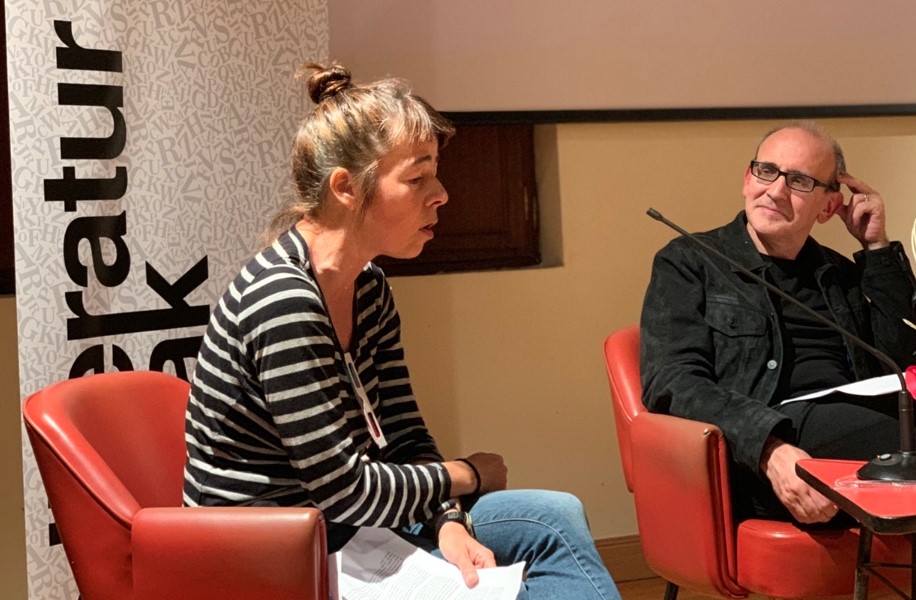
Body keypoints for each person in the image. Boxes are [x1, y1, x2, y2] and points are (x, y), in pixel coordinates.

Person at [183, 62, 621, 600]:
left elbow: (402, 433)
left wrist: (447, 519)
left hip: (354, 531)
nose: (441, 195)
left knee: (554, 517)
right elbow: (344, 490)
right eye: (417, 179)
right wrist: (467, 474)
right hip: (275, 556)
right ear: (346, 187)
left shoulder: (368, 287)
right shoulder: (284, 301)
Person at [640, 121, 916, 524]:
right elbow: (672, 382)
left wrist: (876, 248)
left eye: (800, 180)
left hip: (859, 434)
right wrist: (770, 448)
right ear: (747, 179)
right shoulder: (690, 262)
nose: (775, 190)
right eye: (766, 171)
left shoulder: (839, 275)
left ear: (828, 207)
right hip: (764, 451)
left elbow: (901, 362)